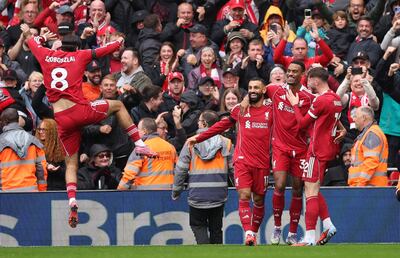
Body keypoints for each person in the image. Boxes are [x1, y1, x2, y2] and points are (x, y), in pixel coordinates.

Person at [23, 25, 157, 228]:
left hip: (62, 119)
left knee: (71, 165)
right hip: (80, 111)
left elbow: (30, 39)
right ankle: (139, 143)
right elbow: (108, 49)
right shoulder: (80, 55)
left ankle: (72, 200)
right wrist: (119, 41)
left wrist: (35, 35)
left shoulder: (44, 55)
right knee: (118, 105)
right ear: (76, 47)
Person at [187, 77, 272, 246]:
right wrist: (199, 137)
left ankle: (253, 233)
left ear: (263, 90)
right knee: (244, 195)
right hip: (242, 161)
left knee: (260, 200)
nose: (253, 90)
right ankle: (248, 233)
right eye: (250, 87)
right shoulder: (240, 110)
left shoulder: (271, 111)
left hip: (262, 163)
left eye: (256, 87)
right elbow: (221, 125)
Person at [286, 67, 345, 246]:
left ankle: (310, 237)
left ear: (316, 81)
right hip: (327, 149)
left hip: (316, 150)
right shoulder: (336, 99)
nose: (307, 83)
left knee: (310, 191)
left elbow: (303, 124)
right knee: (314, 188)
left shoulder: (321, 101)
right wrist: (342, 129)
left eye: (309, 80)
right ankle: (328, 225)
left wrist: (294, 104)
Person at [263, 61, 315, 245]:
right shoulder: (275, 90)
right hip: (280, 147)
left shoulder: (308, 98)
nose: (291, 74)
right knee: (279, 184)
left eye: (295, 71)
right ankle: (277, 227)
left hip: (300, 149)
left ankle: (292, 232)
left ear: (303, 74)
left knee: (298, 188)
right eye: (289, 71)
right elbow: (255, 92)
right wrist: (245, 100)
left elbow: (316, 119)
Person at [172, 110, 233, 244]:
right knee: (216, 229)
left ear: (204, 124)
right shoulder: (226, 143)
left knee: (198, 226)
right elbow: (234, 169)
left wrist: (176, 191)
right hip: (218, 194)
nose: (198, 123)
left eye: (199, 121)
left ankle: (204, 250)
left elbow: (180, 170)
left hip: (197, 195)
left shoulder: (191, 143)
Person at [118, 118, 177, 190]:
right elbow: (179, 170)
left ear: (144, 131)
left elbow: (129, 173)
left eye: (138, 129)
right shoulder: (170, 147)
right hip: (168, 193)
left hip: (146, 194)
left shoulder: (141, 149)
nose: (137, 132)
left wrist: (119, 190)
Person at [0, 108, 47, 192]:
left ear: (4, 122)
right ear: (18, 120)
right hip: (31, 193)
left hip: (6, 195)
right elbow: (41, 170)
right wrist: (41, 191)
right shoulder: (33, 141)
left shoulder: (1, 142)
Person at [348, 106, 389, 186]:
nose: (353, 119)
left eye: (355, 116)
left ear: (363, 118)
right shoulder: (369, 133)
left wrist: (360, 184)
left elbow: (371, 162)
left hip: (369, 187)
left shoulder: (372, 134)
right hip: (367, 187)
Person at [35, 118, 66, 191]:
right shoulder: (35, 147)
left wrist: (57, 170)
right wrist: (46, 165)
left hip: (57, 189)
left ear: (52, 132)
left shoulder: (62, 149)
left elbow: (68, 172)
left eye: (44, 130)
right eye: (39, 129)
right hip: (38, 188)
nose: (40, 132)